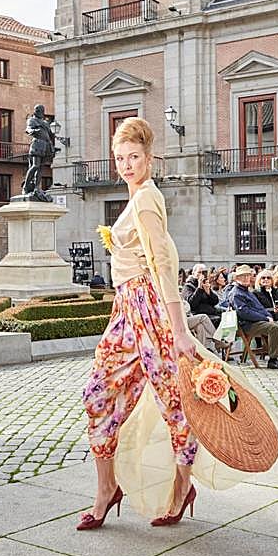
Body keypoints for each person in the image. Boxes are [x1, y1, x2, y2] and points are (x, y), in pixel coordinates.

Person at [79, 118, 197, 531]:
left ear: (149, 158)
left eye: (133, 157)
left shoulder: (146, 199)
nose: (126, 165)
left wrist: (179, 330)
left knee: (175, 402)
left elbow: (162, 264)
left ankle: (182, 488)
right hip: (127, 309)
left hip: (149, 309)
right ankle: (107, 488)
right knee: (97, 394)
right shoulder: (137, 197)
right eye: (120, 158)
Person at [228, 265, 278, 370]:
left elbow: (260, 308)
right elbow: (244, 313)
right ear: (237, 278)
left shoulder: (248, 291)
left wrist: (268, 316)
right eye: (243, 276)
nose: (246, 278)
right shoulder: (236, 293)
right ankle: (273, 360)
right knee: (273, 327)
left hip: (257, 321)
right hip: (247, 324)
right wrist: (265, 318)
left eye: (247, 275)